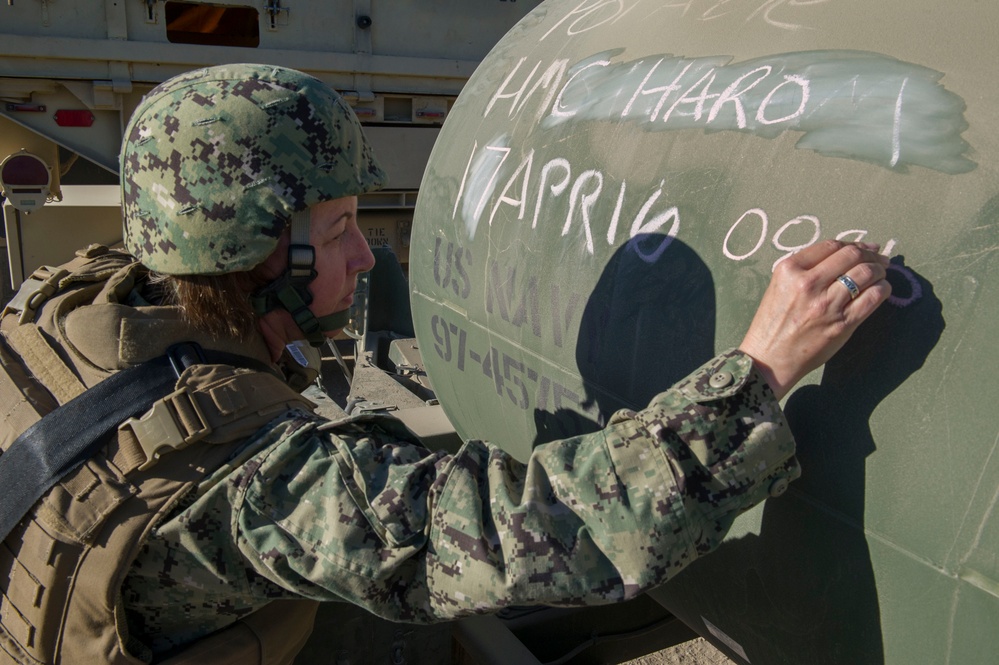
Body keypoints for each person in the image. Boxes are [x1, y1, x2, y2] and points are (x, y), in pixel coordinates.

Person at [0, 63, 891, 665]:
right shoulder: (257, 489)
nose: (361, 260)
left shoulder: (68, 307)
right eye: (339, 229)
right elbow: (546, 535)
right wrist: (759, 370)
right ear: (255, 250)